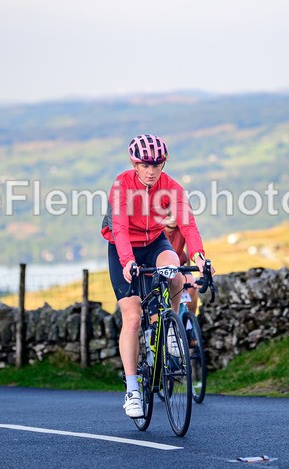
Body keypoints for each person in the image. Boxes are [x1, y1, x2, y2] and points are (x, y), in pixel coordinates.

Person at [101, 134, 214, 418]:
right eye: (145, 165)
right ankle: (131, 390)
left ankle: (171, 334)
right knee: (133, 317)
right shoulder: (121, 185)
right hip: (122, 248)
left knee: (176, 273)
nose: (151, 171)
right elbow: (120, 230)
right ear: (134, 164)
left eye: (157, 164)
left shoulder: (171, 187)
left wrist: (200, 256)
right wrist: (127, 262)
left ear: (164, 163)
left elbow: (188, 225)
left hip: (154, 243)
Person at [163, 212, 201, 315]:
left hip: (180, 265)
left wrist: (201, 269)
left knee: (192, 286)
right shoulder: (158, 231)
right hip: (161, 268)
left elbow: (192, 245)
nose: (173, 219)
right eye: (169, 215)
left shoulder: (182, 229)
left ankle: (191, 321)